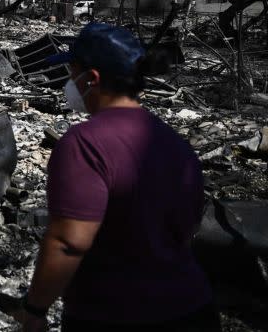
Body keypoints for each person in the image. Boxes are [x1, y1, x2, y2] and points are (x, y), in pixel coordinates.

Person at [14, 23, 217, 332]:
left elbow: (68, 242)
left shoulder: (84, 143)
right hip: (194, 307)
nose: (70, 83)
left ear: (91, 79)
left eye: (72, 73)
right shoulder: (175, 143)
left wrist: (35, 309)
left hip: (115, 314)